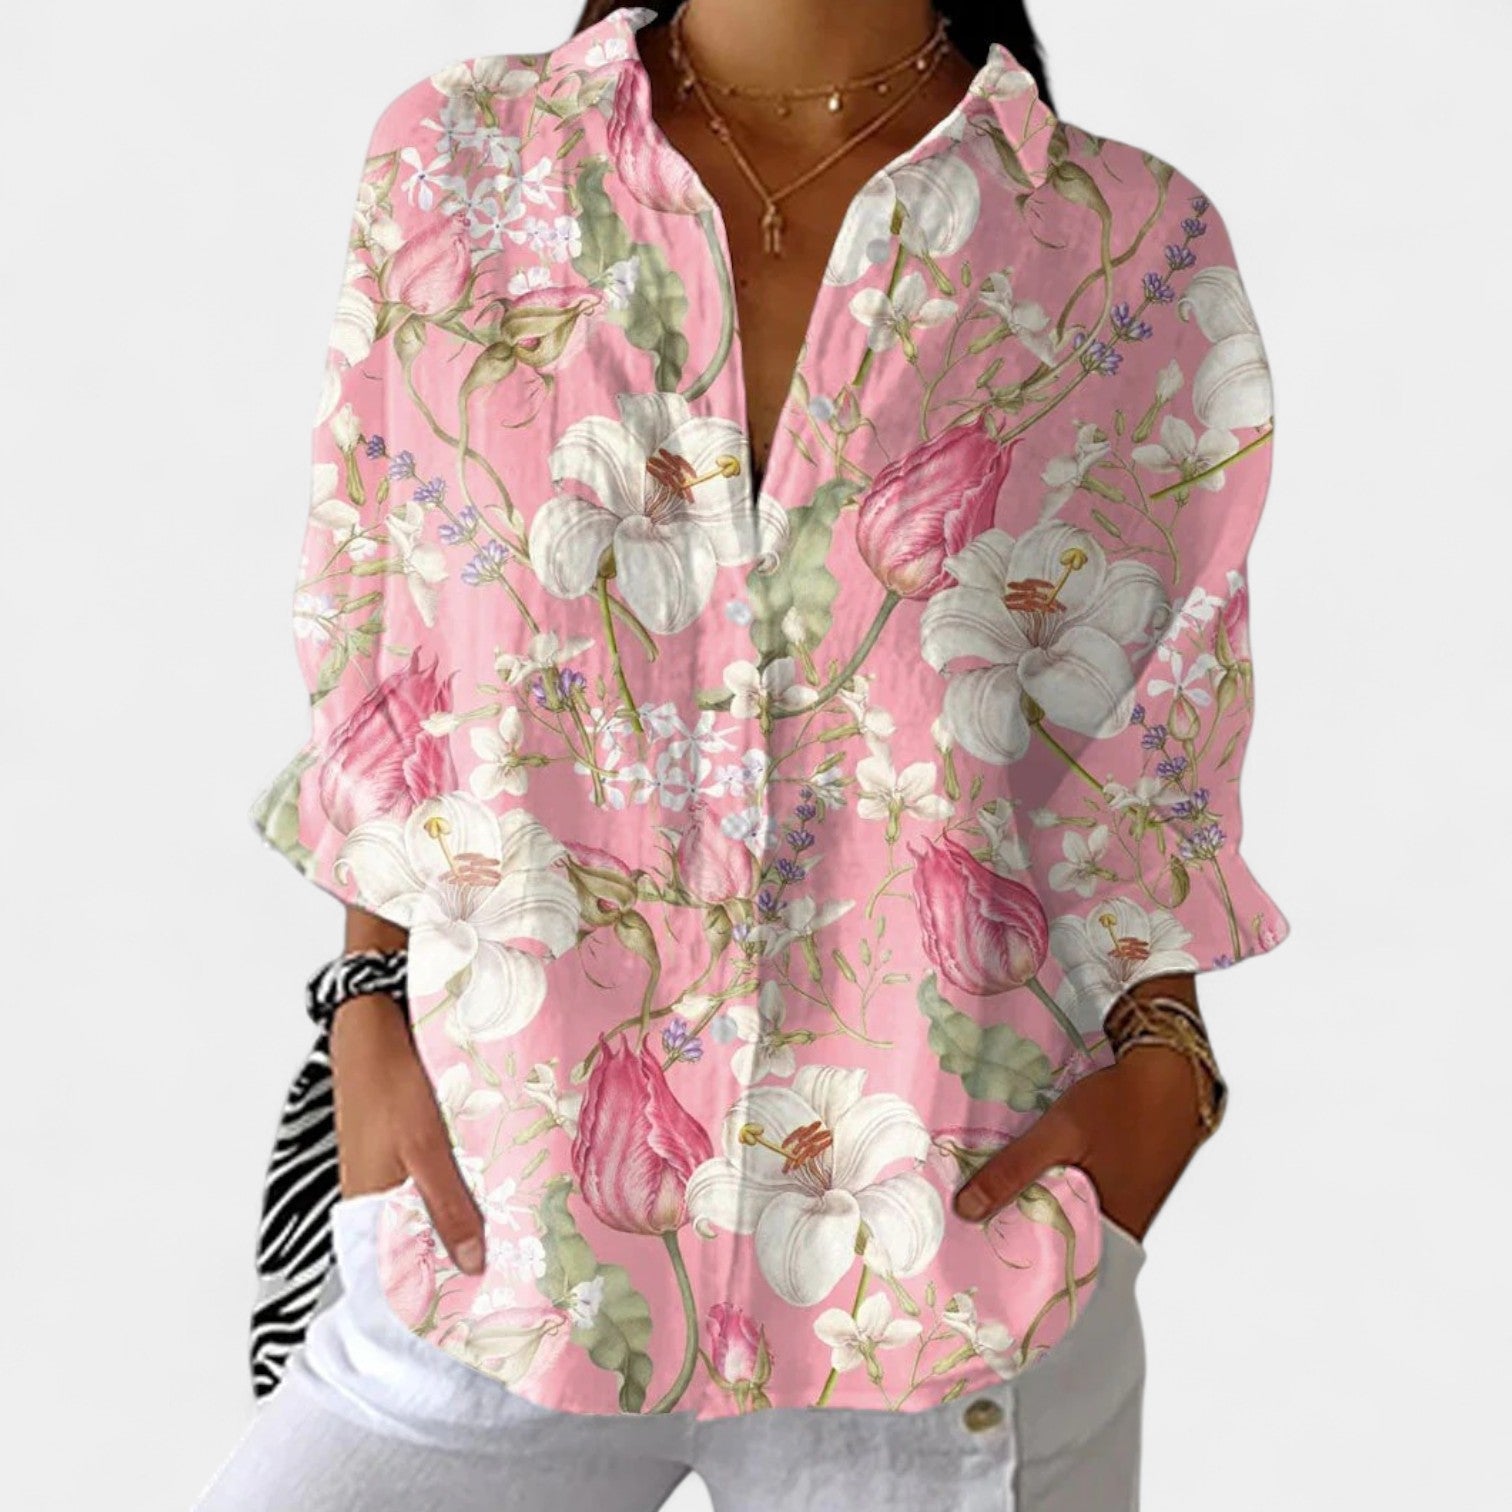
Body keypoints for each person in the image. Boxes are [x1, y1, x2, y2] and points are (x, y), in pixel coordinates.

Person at [202, 2, 1290, 1507]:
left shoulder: (1125, 247)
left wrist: (1167, 1081)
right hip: (507, 1231)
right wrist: (366, 999)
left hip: (944, 1276)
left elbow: (1153, 751)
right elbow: (386, 632)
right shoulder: (462, 162)